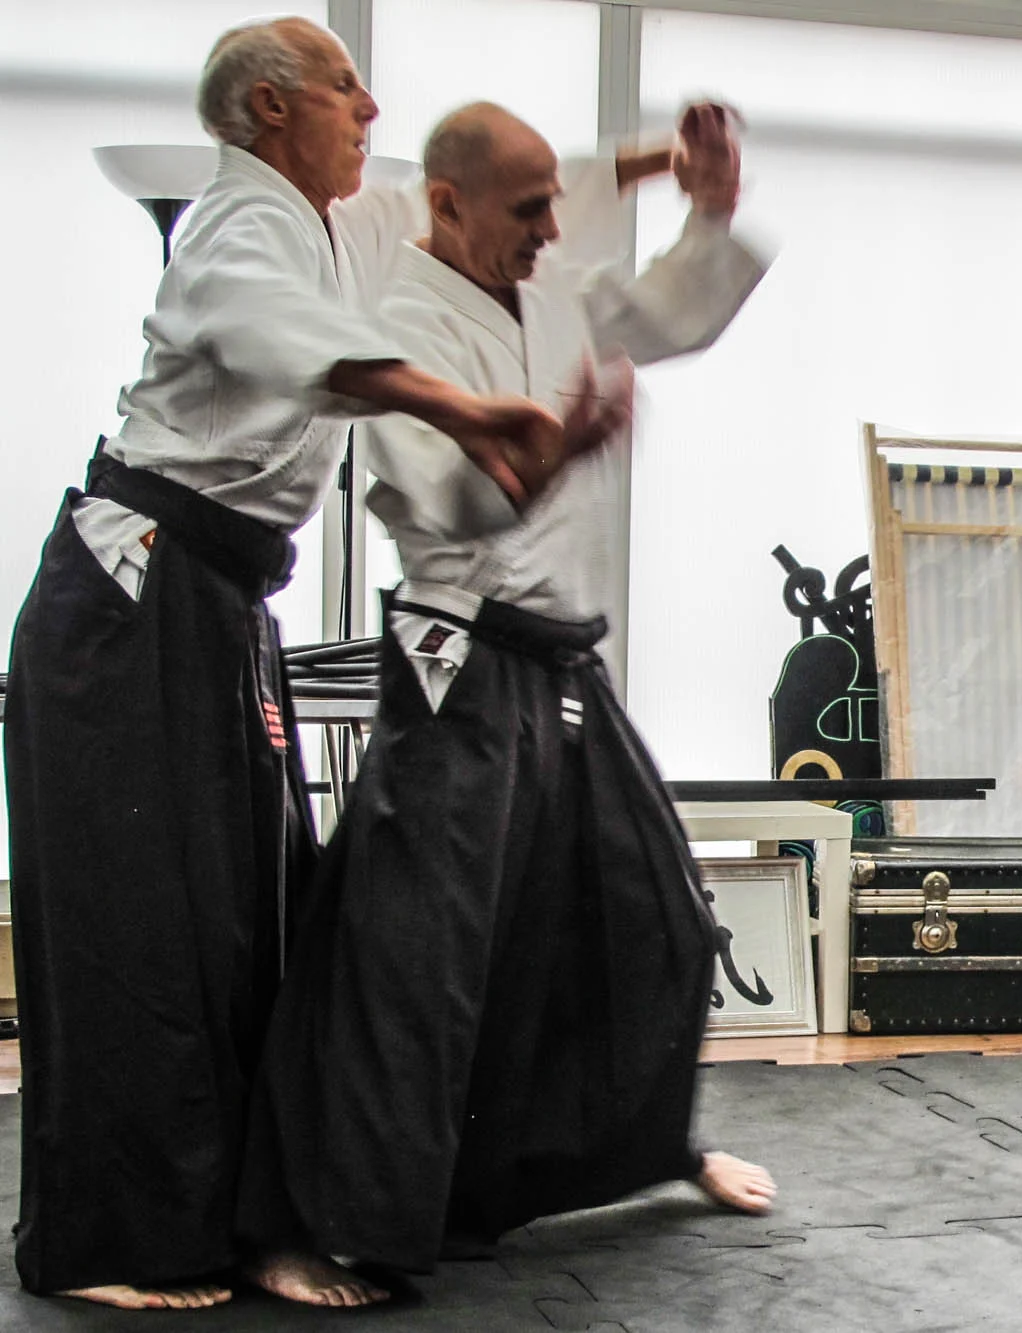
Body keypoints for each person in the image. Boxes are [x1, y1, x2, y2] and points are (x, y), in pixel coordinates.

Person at [2, 17, 633, 1313]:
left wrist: (651, 167)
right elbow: (282, 336)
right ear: (272, 106)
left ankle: (237, 1219)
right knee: (144, 927)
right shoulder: (236, 231)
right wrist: (461, 405)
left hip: (220, 603)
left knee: (251, 923)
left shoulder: (338, 218)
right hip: (126, 607)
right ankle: (116, 1238)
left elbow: (492, 182)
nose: (370, 101)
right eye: (346, 84)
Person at [235, 99, 775, 1283]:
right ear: (447, 205)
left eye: (553, 208)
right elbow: (455, 502)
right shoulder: (394, 323)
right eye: (527, 212)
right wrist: (567, 447)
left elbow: (670, 313)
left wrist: (711, 210)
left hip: (563, 658)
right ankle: (333, 1224)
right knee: (419, 954)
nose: (550, 229)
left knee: (659, 917)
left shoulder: (552, 281)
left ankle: (643, 1148)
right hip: (461, 659)